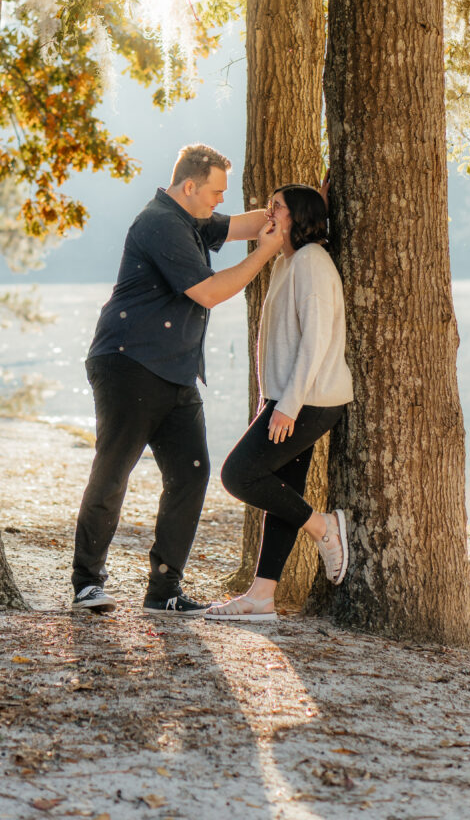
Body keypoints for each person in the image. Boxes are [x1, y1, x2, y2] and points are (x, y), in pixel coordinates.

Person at [71, 144, 283, 615]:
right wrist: (266, 253)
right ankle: (87, 582)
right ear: (190, 186)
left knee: (192, 473)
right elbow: (209, 293)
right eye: (213, 193)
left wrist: (296, 206)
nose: (217, 203)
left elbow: (244, 225)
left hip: (175, 371)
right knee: (113, 470)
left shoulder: (190, 217)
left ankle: (163, 590)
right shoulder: (161, 223)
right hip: (128, 363)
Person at [205, 183, 354, 622]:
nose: (269, 212)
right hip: (291, 397)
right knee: (282, 494)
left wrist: (286, 405)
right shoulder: (289, 261)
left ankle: (324, 527)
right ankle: (262, 597)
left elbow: (316, 339)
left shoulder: (311, 261)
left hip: (311, 399)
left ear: (297, 218)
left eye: (278, 207)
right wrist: (272, 401)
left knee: (238, 475)